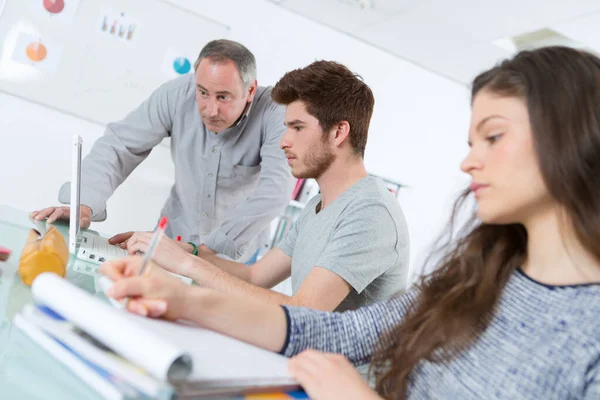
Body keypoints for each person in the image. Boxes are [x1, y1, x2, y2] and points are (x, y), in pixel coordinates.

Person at [102, 46, 600, 399]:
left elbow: (309, 316)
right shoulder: (475, 273)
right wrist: (180, 295)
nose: (468, 163)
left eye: (492, 138)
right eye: (471, 143)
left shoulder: (371, 213)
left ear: (571, 138)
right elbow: (335, 333)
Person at [119, 60, 410, 313]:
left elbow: (302, 311)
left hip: (338, 376)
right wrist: (186, 252)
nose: (284, 140)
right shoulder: (318, 207)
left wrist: (186, 266)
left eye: (297, 128)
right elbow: (254, 276)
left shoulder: (371, 213)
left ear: (338, 132)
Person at [30, 39, 295, 262]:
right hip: (173, 236)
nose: (210, 110)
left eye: (223, 97)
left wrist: (205, 251)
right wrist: (83, 204)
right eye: (203, 92)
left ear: (250, 90)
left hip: (233, 253)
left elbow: (274, 190)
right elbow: (121, 144)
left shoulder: (276, 114)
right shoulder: (177, 94)